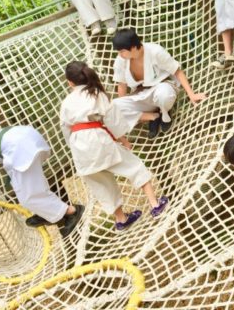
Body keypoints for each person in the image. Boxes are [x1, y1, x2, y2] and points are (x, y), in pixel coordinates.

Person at [60, 61, 169, 230]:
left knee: (102, 185)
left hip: (79, 148)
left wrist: (75, 148)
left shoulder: (66, 102)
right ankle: (155, 205)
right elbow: (113, 121)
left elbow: (65, 129)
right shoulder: (95, 93)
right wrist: (124, 140)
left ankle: (121, 220)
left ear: (70, 83)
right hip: (97, 140)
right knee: (134, 166)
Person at [0, 125, 84, 238]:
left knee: (28, 198)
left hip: (20, 148)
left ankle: (72, 212)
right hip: (31, 138)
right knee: (33, 189)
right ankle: (46, 213)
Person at [111, 28, 206, 138]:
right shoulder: (121, 60)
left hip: (161, 88)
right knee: (114, 107)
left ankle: (164, 113)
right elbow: (121, 85)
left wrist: (191, 94)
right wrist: (126, 108)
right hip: (141, 95)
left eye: (122, 51)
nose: (119, 54)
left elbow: (177, 71)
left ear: (133, 47)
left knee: (164, 93)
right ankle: (152, 116)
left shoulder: (155, 51)